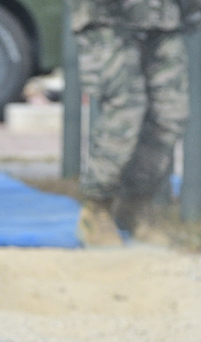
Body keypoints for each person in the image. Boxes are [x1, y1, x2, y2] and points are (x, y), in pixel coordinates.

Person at [68, 0, 200, 246]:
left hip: (164, 16)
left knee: (170, 113)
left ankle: (135, 207)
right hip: (107, 17)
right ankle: (96, 209)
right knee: (125, 112)